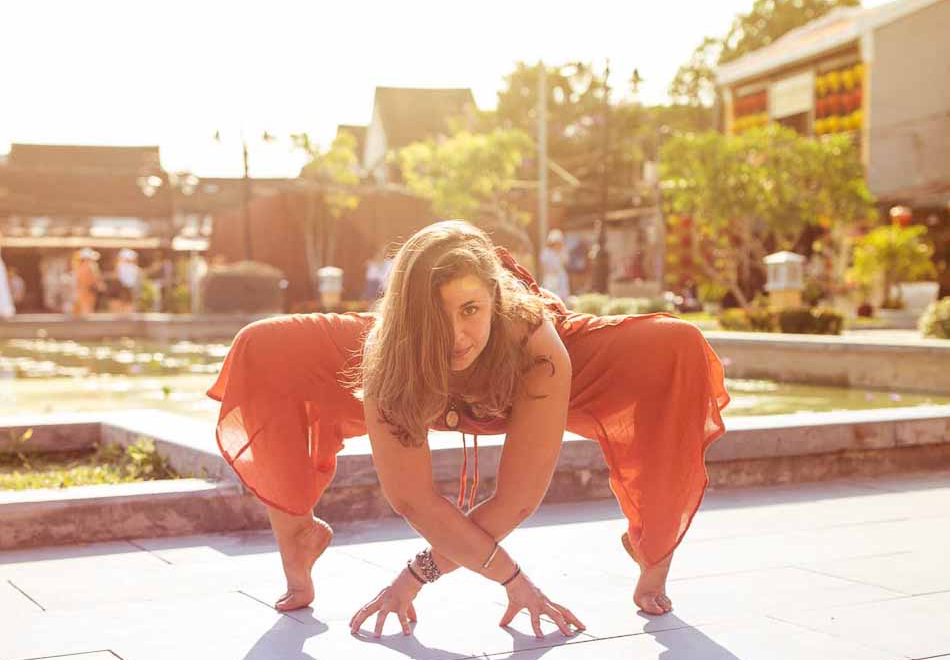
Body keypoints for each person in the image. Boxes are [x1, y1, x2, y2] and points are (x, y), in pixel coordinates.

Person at [208, 220, 728, 629]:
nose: (457, 334)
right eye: (437, 316)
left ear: (496, 300)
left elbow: (516, 499)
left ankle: (651, 549)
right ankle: (296, 535)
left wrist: (412, 579)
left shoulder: (539, 349)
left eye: (471, 309)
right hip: (416, 369)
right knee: (265, 347)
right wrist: (513, 579)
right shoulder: (388, 351)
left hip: (540, 367)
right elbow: (413, 498)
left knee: (674, 347)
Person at [539, 229, 571, 302]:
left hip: (561, 276)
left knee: (562, 297)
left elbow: (566, 262)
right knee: (551, 296)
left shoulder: (562, 252)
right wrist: (547, 276)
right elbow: (543, 266)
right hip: (550, 277)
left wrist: (561, 251)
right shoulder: (546, 253)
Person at [73, 248, 103, 315]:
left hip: (86, 290)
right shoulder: (87, 267)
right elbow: (91, 280)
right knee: (86, 309)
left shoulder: (81, 267)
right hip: (86, 290)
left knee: (87, 308)